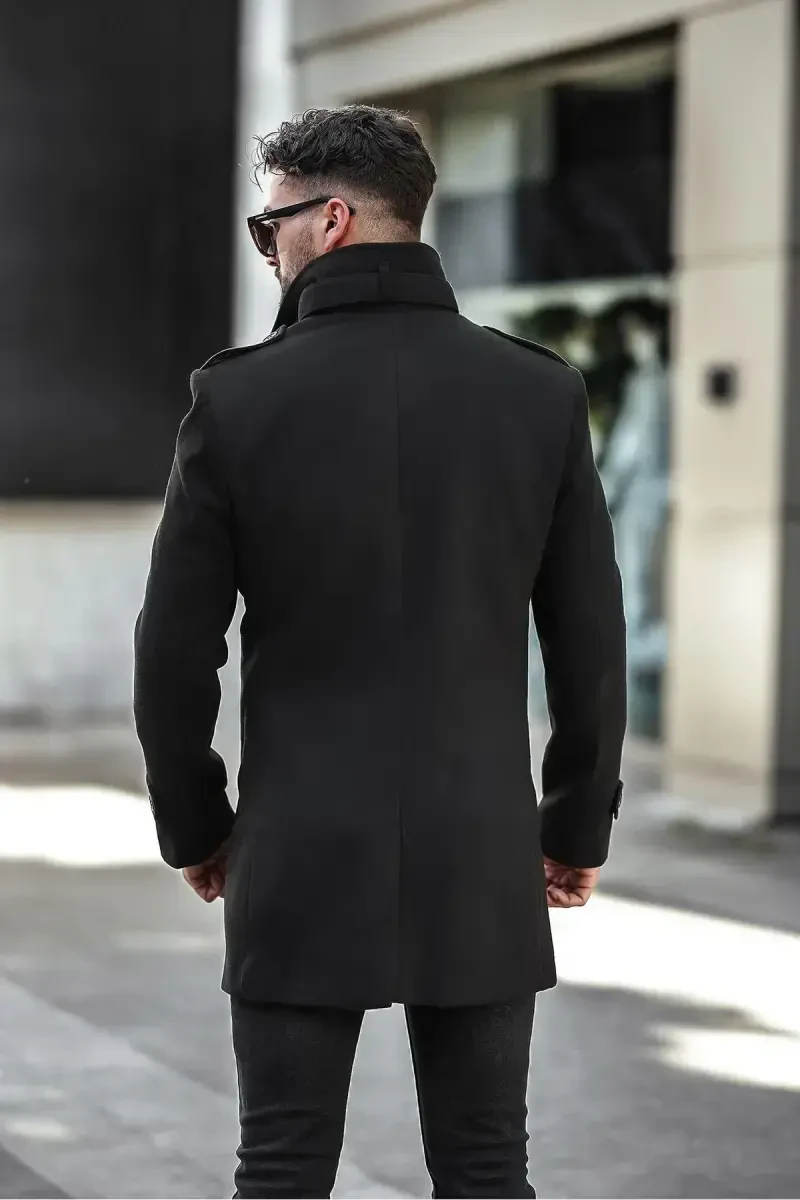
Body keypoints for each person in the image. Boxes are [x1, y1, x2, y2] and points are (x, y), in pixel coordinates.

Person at [134, 105, 627, 1200]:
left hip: (298, 843)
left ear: (332, 220)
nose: (268, 249)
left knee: (281, 1167)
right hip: (479, 843)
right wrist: (573, 825)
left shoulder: (238, 396)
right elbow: (589, 638)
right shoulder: (537, 390)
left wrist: (198, 827)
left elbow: (172, 651)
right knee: (487, 1168)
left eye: (270, 227)